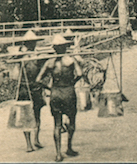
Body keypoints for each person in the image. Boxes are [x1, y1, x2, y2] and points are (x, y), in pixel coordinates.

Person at [36, 34, 83, 162]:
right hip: (68, 91)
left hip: (55, 93)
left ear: (55, 48)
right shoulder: (71, 60)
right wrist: (72, 82)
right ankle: (69, 147)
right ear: (65, 47)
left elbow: (38, 79)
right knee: (71, 120)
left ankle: (58, 154)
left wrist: (49, 88)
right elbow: (80, 73)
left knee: (57, 124)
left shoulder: (49, 62)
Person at [10, 30, 46, 152]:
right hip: (24, 88)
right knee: (26, 116)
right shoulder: (20, 56)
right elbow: (14, 74)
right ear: (26, 43)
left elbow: (43, 67)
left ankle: (36, 139)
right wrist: (22, 56)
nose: (33, 44)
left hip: (36, 87)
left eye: (34, 42)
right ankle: (29, 144)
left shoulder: (38, 55)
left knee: (37, 115)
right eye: (31, 42)